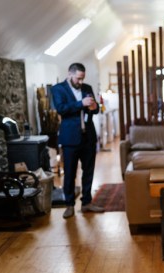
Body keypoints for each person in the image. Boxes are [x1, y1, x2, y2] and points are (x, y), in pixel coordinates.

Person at [52, 63, 104, 219]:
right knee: (69, 173)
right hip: (70, 138)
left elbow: (95, 110)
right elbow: (61, 109)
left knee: (88, 171)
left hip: (88, 137)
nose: (81, 82)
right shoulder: (58, 89)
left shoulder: (87, 88)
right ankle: (69, 205)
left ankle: (86, 203)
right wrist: (80, 104)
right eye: (78, 78)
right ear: (70, 74)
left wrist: (95, 107)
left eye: (82, 79)